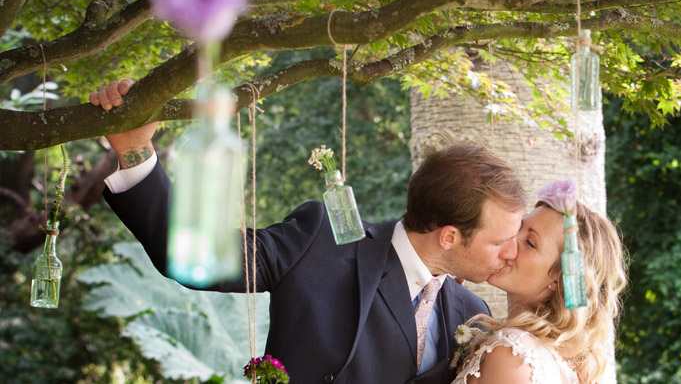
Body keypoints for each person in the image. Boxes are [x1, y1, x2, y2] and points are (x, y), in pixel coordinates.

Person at [89, 79, 525, 384]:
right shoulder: (320, 241)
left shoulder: (472, 314)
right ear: (449, 236)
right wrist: (134, 152)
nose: (511, 253)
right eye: (500, 241)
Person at [452, 190, 628, 384]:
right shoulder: (563, 360)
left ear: (559, 280)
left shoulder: (513, 354)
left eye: (530, 243)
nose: (510, 240)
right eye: (518, 227)